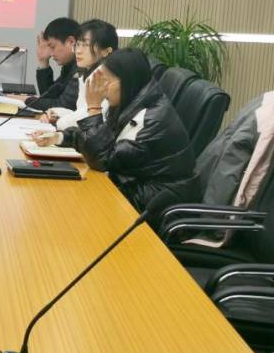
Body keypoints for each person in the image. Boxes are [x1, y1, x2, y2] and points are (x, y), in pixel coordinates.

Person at [33, 48, 200, 214]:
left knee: (72, 204)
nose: (103, 88)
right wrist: (59, 137)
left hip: (153, 202)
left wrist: (94, 108)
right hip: (133, 186)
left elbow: (104, 159)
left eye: (107, 81)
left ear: (127, 81)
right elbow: (104, 139)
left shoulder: (150, 118)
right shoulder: (132, 100)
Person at [43, 19, 118, 131]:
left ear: (106, 51)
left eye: (85, 45)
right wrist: (56, 113)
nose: (78, 51)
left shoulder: (106, 78)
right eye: (78, 44)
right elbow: (81, 112)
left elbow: (92, 118)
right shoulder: (87, 74)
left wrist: (59, 122)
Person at [25, 17, 81, 111]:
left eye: (53, 47)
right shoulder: (69, 66)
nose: (50, 54)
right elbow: (50, 96)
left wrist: (26, 100)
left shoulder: (82, 67)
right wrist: (43, 61)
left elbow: (62, 106)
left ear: (71, 42)